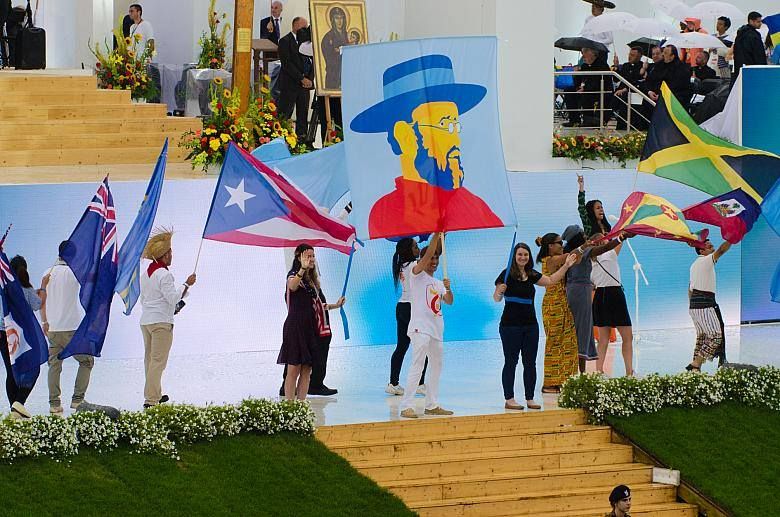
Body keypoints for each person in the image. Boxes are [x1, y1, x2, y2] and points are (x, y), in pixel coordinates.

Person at [350, 54, 503, 239]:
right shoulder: (384, 215)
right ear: (404, 136)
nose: (456, 140)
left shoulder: (476, 210)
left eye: (455, 126)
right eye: (444, 125)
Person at [493, 243, 576, 410]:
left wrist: (566, 265)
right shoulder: (506, 274)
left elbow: (551, 280)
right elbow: (496, 298)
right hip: (510, 326)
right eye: (520, 254)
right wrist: (500, 290)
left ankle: (530, 398)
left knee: (530, 363)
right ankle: (509, 399)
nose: (523, 257)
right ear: (514, 257)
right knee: (511, 362)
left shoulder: (531, 274)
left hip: (530, 326)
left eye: (526, 254)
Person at [278, 244, 345, 397]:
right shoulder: (294, 275)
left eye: (313, 256)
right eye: (308, 256)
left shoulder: (311, 281)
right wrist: (302, 269)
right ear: (299, 257)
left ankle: (301, 406)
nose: (312, 259)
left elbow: (317, 306)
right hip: (296, 328)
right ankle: (290, 406)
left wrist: (336, 305)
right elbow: (292, 286)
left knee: (307, 370)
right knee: (293, 369)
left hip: (310, 328)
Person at [139, 230, 196, 408]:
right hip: (161, 323)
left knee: (150, 360)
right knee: (158, 362)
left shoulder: (145, 275)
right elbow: (173, 298)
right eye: (170, 253)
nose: (171, 255)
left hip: (146, 321)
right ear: (163, 255)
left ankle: (155, 394)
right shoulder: (164, 275)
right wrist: (187, 284)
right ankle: (151, 400)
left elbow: (146, 299)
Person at [399, 233, 453, 418]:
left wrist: (448, 288)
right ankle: (406, 406)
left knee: (436, 366)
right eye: (431, 258)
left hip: (436, 330)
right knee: (418, 364)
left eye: (437, 259)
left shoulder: (438, 283)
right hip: (420, 328)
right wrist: (436, 235)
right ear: (423, 260)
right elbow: (428, 254)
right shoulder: (416, 273)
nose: (434, 261)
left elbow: (449, 301)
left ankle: (431, 404)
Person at [562, 226, 626, 373]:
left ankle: (573, 368)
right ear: (578, 237)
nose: (585, 235)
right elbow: (605, 248)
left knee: (576, 327)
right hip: (582, 291)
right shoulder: (584, 251)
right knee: (583, 328)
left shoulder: (567, 252)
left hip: (571, 289)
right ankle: (582, 372)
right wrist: (620, 238)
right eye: (582, 234)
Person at [41, 241, 93, 415]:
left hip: (52, 327)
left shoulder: (46, 273)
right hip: (71, 328)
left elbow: (42, 301)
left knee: (54, 365)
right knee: (86, 361)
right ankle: (77, 399)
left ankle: (54, 403)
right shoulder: (74, 273)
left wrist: (44, 322)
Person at [1, 255, 44, 420]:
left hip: (4, 334)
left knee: (11, 372)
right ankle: (19, 402)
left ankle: (15, 410)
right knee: (34, 368)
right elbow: (37, 304)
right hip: (23, 336)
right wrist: (42, 290)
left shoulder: (4, 289)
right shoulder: (25, 288)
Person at [536, 234, 579, 394]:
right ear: (550, 246)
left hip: (562, 303)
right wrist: (585, 245)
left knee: (568, 342)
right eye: (559, 243)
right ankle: (549, 384)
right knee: (554, 343)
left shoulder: (555, 259)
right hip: (553, 305)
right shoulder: (550, 260)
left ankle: (565, 380)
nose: (562, 245)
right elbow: (570, 256)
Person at [386, 237, 428, 396]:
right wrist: (439, 237)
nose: (419, 249)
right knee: (422, 347)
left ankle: (393, 383)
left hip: (402, 307)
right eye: (416, 247)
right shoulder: (413, 266)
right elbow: (429, 256)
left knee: (401, 347)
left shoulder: (401, 265)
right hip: (412, 309)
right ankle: (420, 384)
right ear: (408, 250)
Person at [591, 234, 633, 376]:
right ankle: (629, 372)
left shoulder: (591, 260)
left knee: (603, 339)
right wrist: (623, 232)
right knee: (627, 337)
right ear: (602, 242)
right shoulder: (610, 254)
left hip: (599, 296)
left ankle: (599, 372)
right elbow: (620, 239)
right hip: (614, 294)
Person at [687, 239, 730, 371]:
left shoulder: (694, 265)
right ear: (701, 250)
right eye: (707, 244)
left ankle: (695, 371)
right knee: (715, 336)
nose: (711, 244)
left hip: (695, 306)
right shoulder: (706, 261)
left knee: (702, 338)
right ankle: (695, 363)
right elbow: (721, 250)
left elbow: (689, 289)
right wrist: (732, 238)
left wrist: (693, 307)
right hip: (704, 305)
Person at [278, 17, 313, 143]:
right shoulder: (285, 41)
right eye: (303, 27)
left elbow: (312, 61)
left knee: (303, 113)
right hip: (290, 84)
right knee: (285, 112)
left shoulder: (308, 43)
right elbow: (287, 64)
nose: (306, 30)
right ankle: (281, 138)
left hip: (305, 86)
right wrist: (301, 78)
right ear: (295, 26)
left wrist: (310, 79)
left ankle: (302, 139)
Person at [565, 47, 612, 128]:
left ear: (593, 53)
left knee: (587, 95)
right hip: (586, 90)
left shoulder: (602, 65)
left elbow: (598, 82)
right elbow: (579, 80)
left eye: (585, 52)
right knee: (569, 91)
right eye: (582, 52)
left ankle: (589, 120)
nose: (583, 55)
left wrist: (585, 88)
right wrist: (577, 78)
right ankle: (574, 120)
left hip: (600, 91)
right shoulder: (584, 66)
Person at [649, 46, 692, 110]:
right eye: (663, 52)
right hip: (655, 96)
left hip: (672, 100)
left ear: (672, 56)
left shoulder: (682, 69)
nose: (663, 55)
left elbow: (678, 88)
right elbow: (650, 79)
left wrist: (663, 96)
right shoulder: (659, 64)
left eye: (665, 53)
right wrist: (650, 91)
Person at [612, 47, 645, 130]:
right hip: (620, 91)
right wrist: (616, 66)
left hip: (633, 91)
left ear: (639, 56)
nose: (630, 57)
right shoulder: (625, 65)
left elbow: (637, 81)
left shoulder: (642, 66)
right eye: (630, 54)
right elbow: (617, 79)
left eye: (633, 55)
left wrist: (625, 89)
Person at [320, 6, 350, 90]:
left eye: (341, 18)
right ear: (332, 20)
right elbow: (329, 58)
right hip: (333, 76)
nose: (339, 21)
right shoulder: (328, 37)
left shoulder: (349, 36)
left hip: (347, 75)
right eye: (337, 18)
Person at [732, 12, 766, 83]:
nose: (760, 24)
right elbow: (758, 54)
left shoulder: (740, 33)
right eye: (758, 22)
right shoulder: (754, 35)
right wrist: (763, 67)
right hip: (753, 68)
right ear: (751, 21)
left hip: (740, 67)